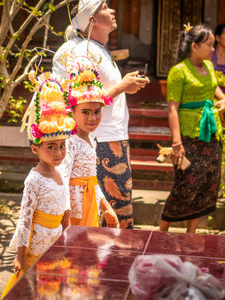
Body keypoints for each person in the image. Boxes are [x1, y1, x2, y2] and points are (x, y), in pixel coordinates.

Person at [71, 0, 150, 229]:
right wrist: (122, 86)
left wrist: (125, 84)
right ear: (92, 19)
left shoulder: (98, 50)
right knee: (112, 215)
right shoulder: (84, 52)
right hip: (102, 140)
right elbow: (83, 101)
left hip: (112, 137)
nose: (113, 10)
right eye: (105, 7)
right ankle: (109, 262)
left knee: (119, 210)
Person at [0, 74, 76, 299]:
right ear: (35, 149)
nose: (59, 152)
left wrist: (67, 236)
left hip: (56, 242)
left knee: (51, 288)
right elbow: (25, 220)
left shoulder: (61, 171)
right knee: (32, 288)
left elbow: (64, 210)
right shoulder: (33, 180)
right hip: (36, 244)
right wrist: (21, 256)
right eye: (51, 147)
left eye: (62, 146)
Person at [159, 24, 225, 234]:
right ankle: (162, 230)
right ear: (195, 46)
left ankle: (192, 233)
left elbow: (212, 85)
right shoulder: (178, 71)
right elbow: (172, 108)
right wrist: (177, 143)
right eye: (209, 45)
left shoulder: (208, 67)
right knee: (186, 184)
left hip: (211, 132)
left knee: (206, 184)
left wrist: (223, 98)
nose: (213, 49)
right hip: (188, 136)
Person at [61, 55, 119, 228]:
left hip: (90, 203)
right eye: (85, 112)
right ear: (72, 112)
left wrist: (106, 207)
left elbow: (91, 182)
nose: (92, 118)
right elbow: (63, 180)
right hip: (72, 209)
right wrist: (64, 215)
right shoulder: (69, 142)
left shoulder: (90, 139)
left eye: (96, 111)